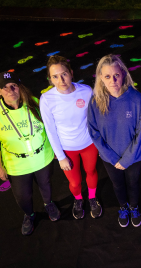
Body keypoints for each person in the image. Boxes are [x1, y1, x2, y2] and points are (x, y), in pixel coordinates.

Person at [0, 72, 60, 235]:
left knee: (46, 185)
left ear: (20, 87)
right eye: (5, 87)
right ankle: (29, 214)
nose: (10, 90)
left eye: (14, 86)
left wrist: (55, 150)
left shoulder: (35, 103)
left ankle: (48, 204)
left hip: (43, 157)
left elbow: (50, 128)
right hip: (16, 164)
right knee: (22, 196)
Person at [87, 54, 141, 228]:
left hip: (133, 157)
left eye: (116, 75)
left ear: (123, 74)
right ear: (100, 78)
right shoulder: (95, 101)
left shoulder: (135, 98)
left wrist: (127, 159)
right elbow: (93, 132)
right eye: (107, 76)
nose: (112, 80)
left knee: (133, 183)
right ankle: (123, 207)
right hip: (110, 158)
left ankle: (134, 207)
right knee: (118, 185)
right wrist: (113, 159)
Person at [40, 55, 101, 220]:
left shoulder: (86, 91)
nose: (61, 80)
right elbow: (50, 130)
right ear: (50, 79)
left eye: (64, 74)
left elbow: (95, 118)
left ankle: (93, 198)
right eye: (55, 76)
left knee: (91, 171)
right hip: (67, 149)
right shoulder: (47, 99)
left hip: (89, 144)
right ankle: (78, 199)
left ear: (71, 73)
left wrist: (100, 143)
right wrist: (60, 156)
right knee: (75, 182)